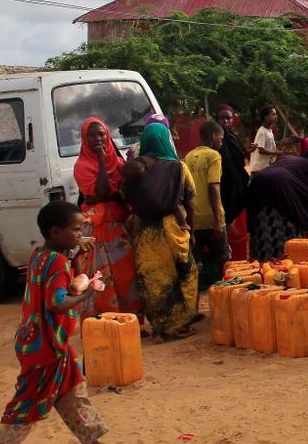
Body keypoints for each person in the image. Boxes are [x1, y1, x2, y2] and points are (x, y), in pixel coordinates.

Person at [0, 202, 128, 444]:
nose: (82, 233)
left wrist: (77, 258)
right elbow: (57, 302)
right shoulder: (54, 262)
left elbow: (68, 283)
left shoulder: (43, 255)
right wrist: (90, 293)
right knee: (27, 405)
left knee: (72, 389)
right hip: (45, 345)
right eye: (76, 229)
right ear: (56, 231)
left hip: (46, 341)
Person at [121, 122, 199, 340]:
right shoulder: (177, 167)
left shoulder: (134, 169)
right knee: (186, 273)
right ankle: (179, 324)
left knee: (154, 278)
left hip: (144, 230)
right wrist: (190, 229)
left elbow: (124, 195)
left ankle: (158, 328)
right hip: (172, 227)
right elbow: (191, 201)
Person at [74, 118, 142, 320]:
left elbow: (120, 193)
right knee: (101, 276)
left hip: (119, 227)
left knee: (126, 275)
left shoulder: (119, 163)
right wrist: (102, 159)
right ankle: (105, 322)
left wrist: (102, 197)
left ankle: (131, 321)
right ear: (85, 139)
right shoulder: (82, 166)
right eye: (92, 135)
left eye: (102, 134)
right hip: (97, 230)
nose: (98, 138)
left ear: (108, 136)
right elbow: (103, 189)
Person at [245, 150, 308, 262]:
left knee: (261, 227)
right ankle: (280, 269)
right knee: (282, 237)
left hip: (257, 186)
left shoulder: (288, 159)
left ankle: (260, 266)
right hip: (281, 193)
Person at [184, 120, 229, 292]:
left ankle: (198, 295)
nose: (221, 142)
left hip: (194, 218)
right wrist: (218, 221)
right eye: (221, 138)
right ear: (212, 136)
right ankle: (224, 294)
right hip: (212, 218)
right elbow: (213, 186)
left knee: (197, 261)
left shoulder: (188, 156)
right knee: (222, 259)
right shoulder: (214, 156)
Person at [215, 106, 252, 261]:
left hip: (237, 186)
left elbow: (240, 160)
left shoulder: (233, 137)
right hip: (222, 186)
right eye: (222, 118)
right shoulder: (215, 140)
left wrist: (248, 151)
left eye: (228, 118)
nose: (226, 121)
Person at [249, 106, 283, 173]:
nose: (276, 116)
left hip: (265, 168)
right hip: (259, 170)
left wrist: (282, 143)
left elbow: (270, 147)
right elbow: (261, 150)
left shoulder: (269, 131)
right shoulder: (262, 131)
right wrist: (277, 152)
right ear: (266, 117)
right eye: (273, 114)